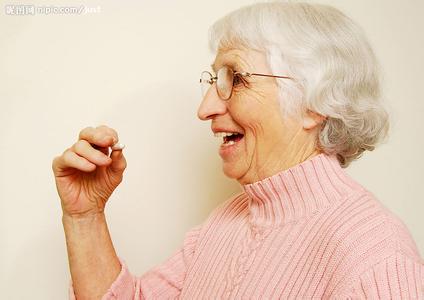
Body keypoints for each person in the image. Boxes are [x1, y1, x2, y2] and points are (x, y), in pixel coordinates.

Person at [52, 2, 424, 299]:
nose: (205, 109)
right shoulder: (225, 222)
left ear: (314, 102)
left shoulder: (376, 257)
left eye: (237, 79)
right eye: (215, 80)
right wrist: (85, 217)